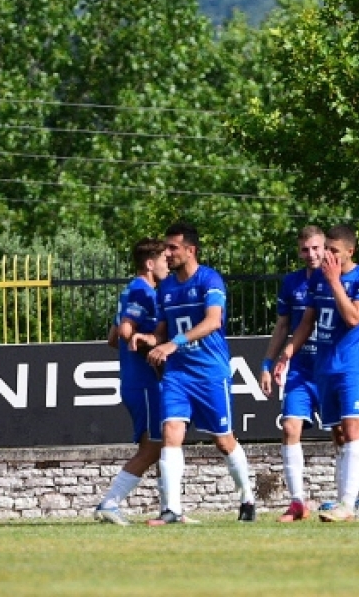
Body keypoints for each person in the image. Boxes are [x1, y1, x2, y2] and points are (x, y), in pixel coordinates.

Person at [130, 222, 256, 525]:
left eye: (173, 247)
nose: (167, 253)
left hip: (210, 372)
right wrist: (149, 339)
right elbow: (163, 331)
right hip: (177, 374)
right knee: (171, 433)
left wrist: (174, 343)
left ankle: (247, 498)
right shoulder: (167, 288)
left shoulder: (209, 280)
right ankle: (171, 509)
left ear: (191, 250)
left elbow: (213, 321)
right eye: (166, 248)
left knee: (224, 441)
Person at [278, 224, 359, 522]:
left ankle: (347, 505)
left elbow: (353, 318)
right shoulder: (318, 279)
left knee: (353, 429)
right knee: (339, 434)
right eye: (327, 250)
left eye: (333, 251)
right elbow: (306, 322)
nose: (327, 256)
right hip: (324, 367)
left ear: (350, 251)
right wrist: (287, 354)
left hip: (352, 365)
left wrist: (335, 282)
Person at [93, 238, 169, 526]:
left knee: (165, 443)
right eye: (163, 260)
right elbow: (125, 332)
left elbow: (112, 339)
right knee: (153, 448)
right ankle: (109, 503)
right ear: (150, 264)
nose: (168, 265)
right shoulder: (143, 292)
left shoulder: (129, 291)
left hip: (133, 380)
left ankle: (170, 508)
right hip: (145, 383)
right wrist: (150, 347)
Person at [258, 225, 327, 522]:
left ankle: (358, 498)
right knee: (289, 427)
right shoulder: (292, 283)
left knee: (344, 433)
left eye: (316, 248)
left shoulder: (340, 280)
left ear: (326, 248)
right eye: (305, 249)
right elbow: (283, 325)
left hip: (331, 366)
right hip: (299, 368)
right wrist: (267, 363)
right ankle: (298, 501)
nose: (311, 254)